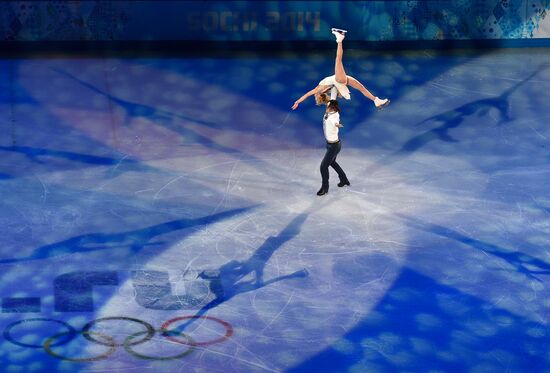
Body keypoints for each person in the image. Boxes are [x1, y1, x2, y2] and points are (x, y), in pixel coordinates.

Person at [292, 28, 390, 110]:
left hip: (343, 80)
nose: (316, 94)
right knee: (338, 60)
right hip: (339, 79)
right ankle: (339, 39)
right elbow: (307, 94)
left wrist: (298, 102)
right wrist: (298, 101)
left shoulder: (322, 89)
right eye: (317, 95)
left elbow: (307, 95)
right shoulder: (319, 89)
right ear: (319, 94)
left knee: (362, 88)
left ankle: (376, 100)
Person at [317, 99, 350, 196]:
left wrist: (338, 125)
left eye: (328, 107)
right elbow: (329, 98)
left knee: (323, 167)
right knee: (332, 162)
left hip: (334, 146)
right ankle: (344, 179)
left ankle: (324, 188)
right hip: (330, 144)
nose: (326, 108)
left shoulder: (334, 117)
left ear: (332, 108)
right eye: (327, 106)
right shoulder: (330, 108)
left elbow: (336, 122)